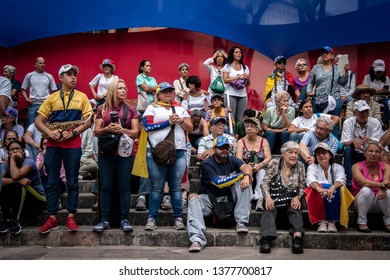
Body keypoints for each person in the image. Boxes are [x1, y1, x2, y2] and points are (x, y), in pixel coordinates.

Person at [34, 64, 92, 234]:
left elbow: (88, 121)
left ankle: (71, 216)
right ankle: (52, 218)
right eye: (69, 74)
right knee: (51, 181)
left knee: (73, 181)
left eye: (75, 74)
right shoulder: (51, 98)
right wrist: (50, 133)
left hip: (72, 143)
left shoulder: (82, 97)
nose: (73, 77)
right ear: (60, 77)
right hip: (53, 143)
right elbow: (38, 121)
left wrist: (73, 132)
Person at [187, 135, 253, 252]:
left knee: (245, 184)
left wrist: (247, 176)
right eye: (221, 148)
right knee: (193, 200)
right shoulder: (206, 164)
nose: (224, 151)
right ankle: (197, 239)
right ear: (213, 149)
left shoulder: (232, 159)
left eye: (227, 148)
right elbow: (219, 183)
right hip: (210, 201)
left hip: (229, 199)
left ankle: (241, 221)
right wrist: (241, 175)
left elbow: (246, 166)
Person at [142, 82, 192, 231]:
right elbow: (147, 126)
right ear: (158, 94)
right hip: (156, 152)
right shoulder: (152, 107)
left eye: (170, 91)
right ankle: (151, 219)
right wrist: (167, 122)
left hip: (179, 151)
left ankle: (178, 219)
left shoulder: (180, 109)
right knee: (157, 188)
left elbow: (190, 127)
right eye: (164, 91)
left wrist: (181, 120)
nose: (168, 93)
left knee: (176, 188)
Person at [93, 79, 139, 233]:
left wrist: (122, 130)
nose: (124, 90)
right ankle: (104, 219)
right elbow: (96, 131)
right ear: (113, 90)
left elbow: (135, 132)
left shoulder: (131, 109)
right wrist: (107, 129)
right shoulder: (102, 109)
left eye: (125, 88)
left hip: (125, 153)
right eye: (120, 88)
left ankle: (125, 219)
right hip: (106, 152)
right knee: (105, 186)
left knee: (124, 186)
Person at [259, 141, 306, 254]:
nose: (294, 155)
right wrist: (268, 197)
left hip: (291, 201)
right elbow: (264, 183)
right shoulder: (275, 163)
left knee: (296, 206)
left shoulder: (300, 166)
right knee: (268, 207)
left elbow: (303, 186)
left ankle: (297, 239)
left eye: (296, 153)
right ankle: (266, 239)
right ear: (283, 153)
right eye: (290, 152)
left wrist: (298, 197)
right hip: (275, 200)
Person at [0, 140, 46, 235]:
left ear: (23, 151)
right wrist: (18, 180)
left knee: (17, 186)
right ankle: (6, 219)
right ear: (8, 152)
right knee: (6, 186)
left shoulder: (29, 162)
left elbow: (16, 175)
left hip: (37, 200)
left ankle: (16, 221)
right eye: (12, 149)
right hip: (19, 200)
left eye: (18, 148)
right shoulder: (5, 165)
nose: (15, 151)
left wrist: (12, 159)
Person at [305, 143, 353, 233]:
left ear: (330, 155)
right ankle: (321, 221)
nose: (321, 155)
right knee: (314, 188)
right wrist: (319, 188)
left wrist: (333, 187)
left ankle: (332, 221)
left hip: (333, 194)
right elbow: (310, 179)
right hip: (319, 194)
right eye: (318, 153)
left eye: (324, 153)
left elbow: (341, 178)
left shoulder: (338, 167)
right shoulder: (312, 167)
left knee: (340, 188)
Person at [306, 46, 349, 138]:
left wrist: (346, 72)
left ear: (332, 56)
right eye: (322, 53)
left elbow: (343, 83)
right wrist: (309, 92)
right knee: (319, 124)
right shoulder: (316, 68)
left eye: (327, 53)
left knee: (334, 124)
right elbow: (310, 82)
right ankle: (318, 145)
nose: (324, 54)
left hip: (335, 98)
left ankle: (335, 148)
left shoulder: (337, 68)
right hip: (319, 100)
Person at [341, 100, 383, 188]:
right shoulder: (348, 122)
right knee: (348, 149)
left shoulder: (375, 122)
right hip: (355, 152)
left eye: (366, 111)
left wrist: (368, 140)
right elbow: (345, 142)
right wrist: (353, 141)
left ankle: (377, 178)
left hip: (370, 151)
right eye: (361, 112)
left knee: (377, 151)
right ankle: (349, 181)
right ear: (354, 113)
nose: (364, 114)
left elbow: (377, 143)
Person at [352, 140, 390, 233]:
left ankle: (388, 222)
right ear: (364, 153)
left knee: (388, 192)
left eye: (377, 151)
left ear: (380, 154)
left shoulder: (386, 166)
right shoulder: (356, 166)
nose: (373, 154)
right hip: (362, 202)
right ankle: (362, 222)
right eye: (370, 151)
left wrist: (383, 188)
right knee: (366, 190)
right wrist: (380, 185)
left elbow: (387, 181)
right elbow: (362, 182)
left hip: (380, 201)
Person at [235, 117, 271, 211]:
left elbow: (268, 157)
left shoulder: (263, 141)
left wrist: (260, 164)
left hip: (260, 166)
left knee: (262, 172)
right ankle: (248, 197)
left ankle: (259, 198)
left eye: (252, 126)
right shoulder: (240, 142)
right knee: (246, 173)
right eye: (247, 126)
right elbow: (238, 159)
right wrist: (247, 167)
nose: (249, 128)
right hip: (245, 167)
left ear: (257, 129)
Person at [21, 57, 57, 127]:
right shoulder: (29, 75)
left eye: (44, 63)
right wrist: (26, 99)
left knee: (46, 125)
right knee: (31, 126)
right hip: (33, 104)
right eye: (40, 63)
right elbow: (23, 89)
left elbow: (54, 91)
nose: (42, 64)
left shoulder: (49, 76)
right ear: (35, 64)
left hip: (45, 104)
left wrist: (49, 101)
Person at [222, 46, 250, 123]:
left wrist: (246, 78)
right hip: (230, 94)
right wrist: (237, 77)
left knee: (241, 118)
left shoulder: (245, 68)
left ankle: (239, 134)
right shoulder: (227, 66)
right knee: (231, 117)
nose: (238, 54)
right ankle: (231, 134)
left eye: (240, 52)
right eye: (236, 52)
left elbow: (248, 83)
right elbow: (225, 80)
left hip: (242, 95)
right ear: (232, 54)